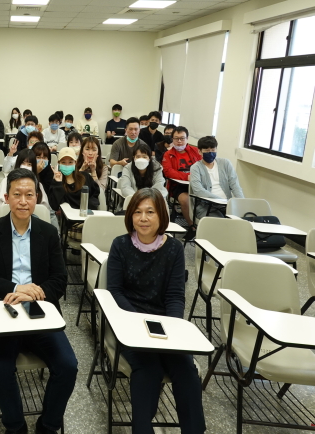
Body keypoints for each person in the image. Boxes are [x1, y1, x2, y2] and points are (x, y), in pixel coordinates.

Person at [0, 168, 77, 434]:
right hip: (4, 311)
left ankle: (48, 425)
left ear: (37, 198)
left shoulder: (48, 233)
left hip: (39, 312)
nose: (23, 201)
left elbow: (59, 280)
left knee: (68, 366)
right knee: (0, 369)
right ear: (6, 198)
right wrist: (16, 288)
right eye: (17, 195)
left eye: (29, 195)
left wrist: (34, 292)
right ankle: (15, 426)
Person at [107, 189, 205, 434]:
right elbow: (115, 292)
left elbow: (175, 296)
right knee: (148, 369)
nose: (143, 218)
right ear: (130, 216)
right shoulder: (120, 245)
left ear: (161, 215)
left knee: (186, 370)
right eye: (137, 212)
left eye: (150, 212)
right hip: (130, 324)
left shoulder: (174, 249)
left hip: (165, 326)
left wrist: (172, 329)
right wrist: (138, 323)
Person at [189, 136, 244, 220]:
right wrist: (220, 201)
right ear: (199, 151)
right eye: (207, 150)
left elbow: (235, 185)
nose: (210, 153)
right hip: (206, 207)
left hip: (227, 206)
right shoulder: (196, 167)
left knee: (244, 219)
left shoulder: (225, 163)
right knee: (220, 222)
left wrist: (242, 202)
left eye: (213, 150)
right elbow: (198, 190)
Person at [161, 126, 202, 232]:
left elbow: (203, 167)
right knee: (185, 200)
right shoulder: (168, 154)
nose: (179, 141)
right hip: (177, 186)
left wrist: (194, 177)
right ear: (172, 139)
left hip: (197, 184)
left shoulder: (196, 151)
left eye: (182, 138)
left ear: (187, 138)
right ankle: (192, 227)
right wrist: (187, 177)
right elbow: (168, 171)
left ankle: (204, 225)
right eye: (176, 138)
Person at [0, 149, 53, 221]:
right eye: (23, 163)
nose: (26, 166)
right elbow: (0, 207)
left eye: (29, 164)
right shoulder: (6, 181)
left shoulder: (38, 184)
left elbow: (45, 208)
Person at [49, 147, 100, 212]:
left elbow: (95, 195)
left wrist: (89, 207)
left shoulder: (85, 177)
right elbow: (54, 206)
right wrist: (58, 183)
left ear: (75, 162)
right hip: (68, 216)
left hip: (86, 214)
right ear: (58, 163)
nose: (67, 165)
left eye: (70, 162)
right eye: (63, 162)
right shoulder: (56, 182)